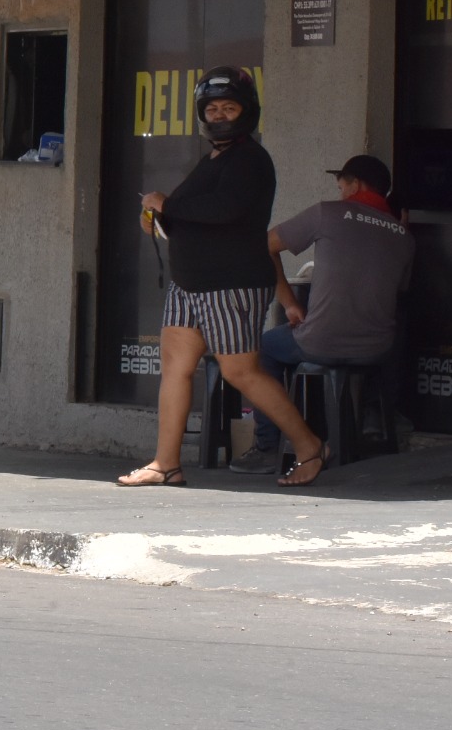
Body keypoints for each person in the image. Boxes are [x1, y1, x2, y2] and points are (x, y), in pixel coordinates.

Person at [119, 67, 328, 489]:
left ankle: (309, 447)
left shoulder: (251, 159)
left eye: (228, 107)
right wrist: (160, 221)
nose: (219, 115)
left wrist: (168, 206)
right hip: (189, 284)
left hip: (230, 285)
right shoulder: (212, 158)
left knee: (241, 372)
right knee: (175, 369)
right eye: (212, 109)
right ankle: (166, 464)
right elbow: (195, 217)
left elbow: (225, 212)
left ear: (246, 111)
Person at [233, 154, 415, 472]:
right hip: (377, 350)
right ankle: (372, 424)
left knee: (262, 351)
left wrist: (290, 304)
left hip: (320, 342)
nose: (341, 192)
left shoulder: (327, 213)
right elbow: (397, 291)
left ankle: (267, 447)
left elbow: (263, 247)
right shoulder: (404, 237)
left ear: (355, 184)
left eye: (342, 185)